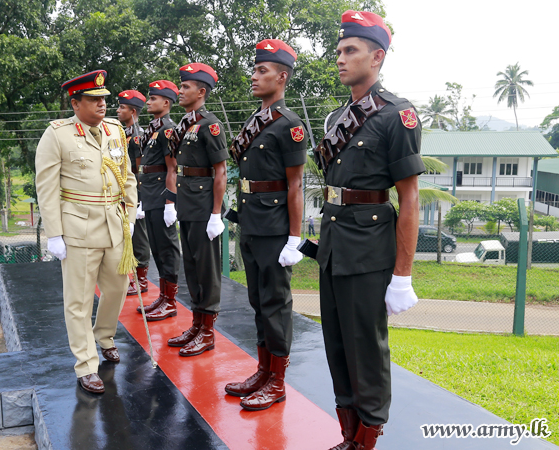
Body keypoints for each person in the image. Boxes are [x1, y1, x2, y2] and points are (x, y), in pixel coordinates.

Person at [314, 11, 424, 450]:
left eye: (350, 50)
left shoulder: (398, 115)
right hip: (333, 246)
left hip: (368, 250)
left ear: (377, 57)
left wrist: (403, 275)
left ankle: (367, 439)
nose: (340, 58)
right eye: (339, 50)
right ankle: (348, 435)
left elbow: (409, 199)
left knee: (365, 348)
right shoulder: (337, 118)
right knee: (337, 344)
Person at [35, 70, 137, 395]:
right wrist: (54, 234)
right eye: (93, 100)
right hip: (78, 228)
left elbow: (127, 176)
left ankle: (104, 335)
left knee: (118, 287)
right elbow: (46, 188)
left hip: (114, 225)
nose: (102, 104)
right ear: (75, 103)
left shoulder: (115, 130)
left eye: (104, 99)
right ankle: (86, 365)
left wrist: (130, 215)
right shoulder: (57, 135)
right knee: (78, 301)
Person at [224, 39, 307, 411]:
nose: (254, 76)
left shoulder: (289, 125)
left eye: (262, 70)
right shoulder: (254, 121)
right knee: (258, 301)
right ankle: (263, 371)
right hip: (251, 222)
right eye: (255, 69)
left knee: (275, 304)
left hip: (274, 228)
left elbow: (295, 184)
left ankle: (278, 381)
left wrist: (294, 237)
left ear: (282, 77)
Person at [166, 63, 228, 357]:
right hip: (188, 204)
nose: (180, 91)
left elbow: (221, 171)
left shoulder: (210, 125)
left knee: (207, 271)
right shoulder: (185, 124)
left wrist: (216, 214)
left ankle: (208, 331)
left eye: (185, 87)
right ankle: (197, 324)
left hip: (204, 207)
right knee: (191, 267)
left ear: (201, 92)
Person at [136, 80, 181, 321]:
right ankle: (163, 297)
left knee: (167, 248)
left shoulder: (167, 130)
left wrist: (170, 204)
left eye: (153, 98)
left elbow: (172, 168)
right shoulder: (152, 129)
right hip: (151, 195)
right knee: (156, 247)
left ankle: (171, 301)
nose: (148, 102)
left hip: (162, 196)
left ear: (166, 103)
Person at [117, 90, 151, 296]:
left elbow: (139, 170)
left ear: (133, 111)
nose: (118, 110)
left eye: (122, 107)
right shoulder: (124, 134)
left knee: (139, 236)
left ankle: (142, 279)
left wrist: (140, 198)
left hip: (135, 192)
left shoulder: (137, 136)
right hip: (124, 191)